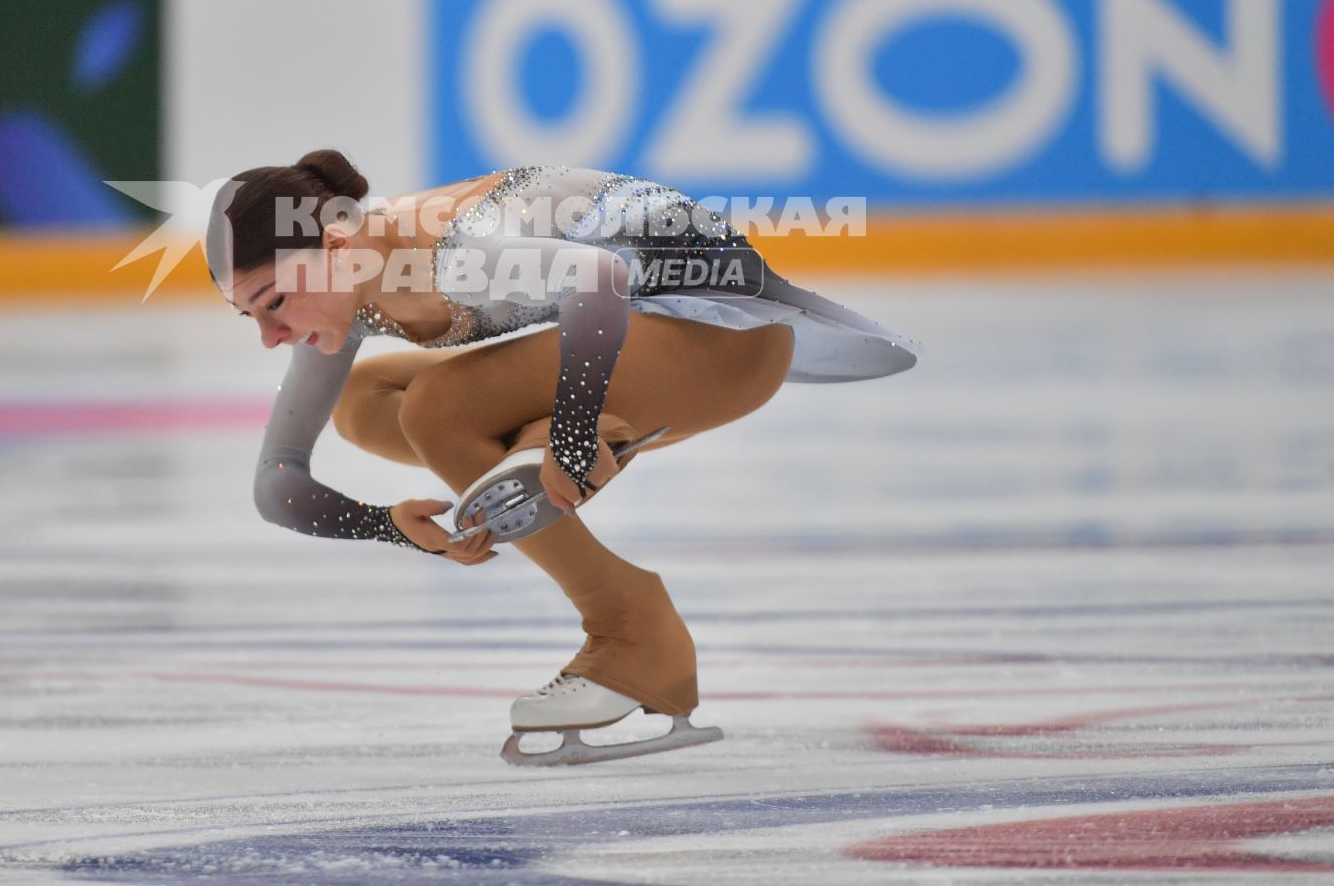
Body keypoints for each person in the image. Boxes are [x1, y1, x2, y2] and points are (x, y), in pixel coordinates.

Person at [204, 151, 918, 764]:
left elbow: (597, 280)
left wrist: (572, 432)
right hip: (647, 348)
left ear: (331, 245)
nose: (270, 335)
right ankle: (570, 440)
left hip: (729, 344)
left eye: (274, 302)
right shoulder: (354, 284)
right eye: (252, 316)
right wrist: (390, 525)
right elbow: (277, 480)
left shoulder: (448, 245)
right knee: (365, 402)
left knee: (436, 409)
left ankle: (632, 627)